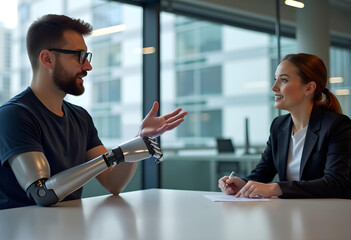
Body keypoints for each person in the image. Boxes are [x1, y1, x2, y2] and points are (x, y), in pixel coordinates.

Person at [0, 14, 187, 210]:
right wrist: (115, 155)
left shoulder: (80, 117)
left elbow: (113, 183)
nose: (88, 66)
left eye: (87, 57)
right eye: (79, 56)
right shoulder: (13, 116)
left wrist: (138, 140)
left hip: (68, 228)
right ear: (47, 59)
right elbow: (43, 193)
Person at [218, 53, 351, 199]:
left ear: (309, 88)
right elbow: (262, 173)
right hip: (290, 213)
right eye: (275, 80)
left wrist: (276, 188)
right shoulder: (279, 125)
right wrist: (243, 184)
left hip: (327, 215)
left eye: (283, 80)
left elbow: (334, 183)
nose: (274, 87)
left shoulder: (337, 126)